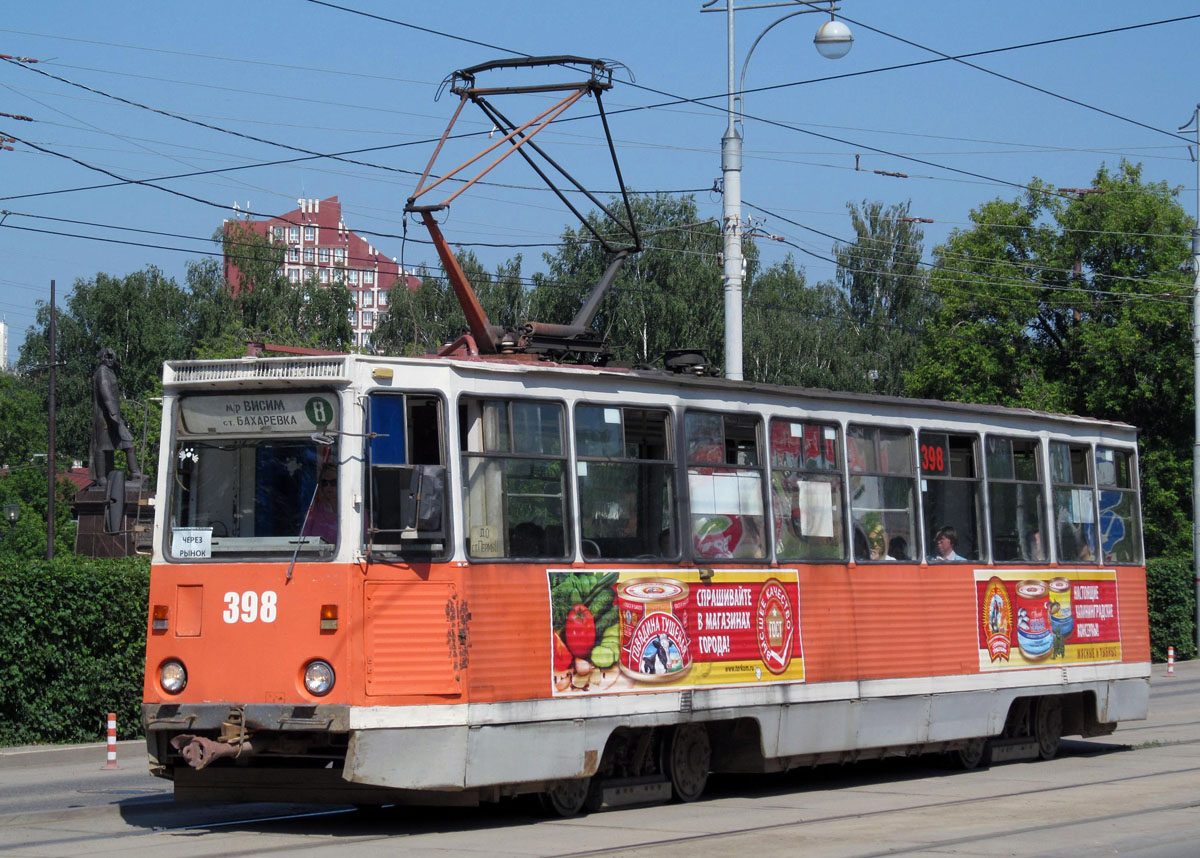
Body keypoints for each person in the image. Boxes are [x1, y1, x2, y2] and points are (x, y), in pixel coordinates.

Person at [89, 346, 141, 489]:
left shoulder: (110, 372)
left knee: (128, 443)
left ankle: (135, 473)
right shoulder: (102, 372)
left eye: (112, 357)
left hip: (114, 415)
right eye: (107, 357)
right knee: (103, 447)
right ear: (102, 358)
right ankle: (101, 478)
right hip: (106, 417)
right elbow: (105, 392)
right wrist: (113, 414)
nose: (110, 360)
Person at [301, 466, 338, 544]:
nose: (329, 487)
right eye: (325, 483)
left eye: (333, 483)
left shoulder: (354, 511)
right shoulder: (314, 511)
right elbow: (303, 541)